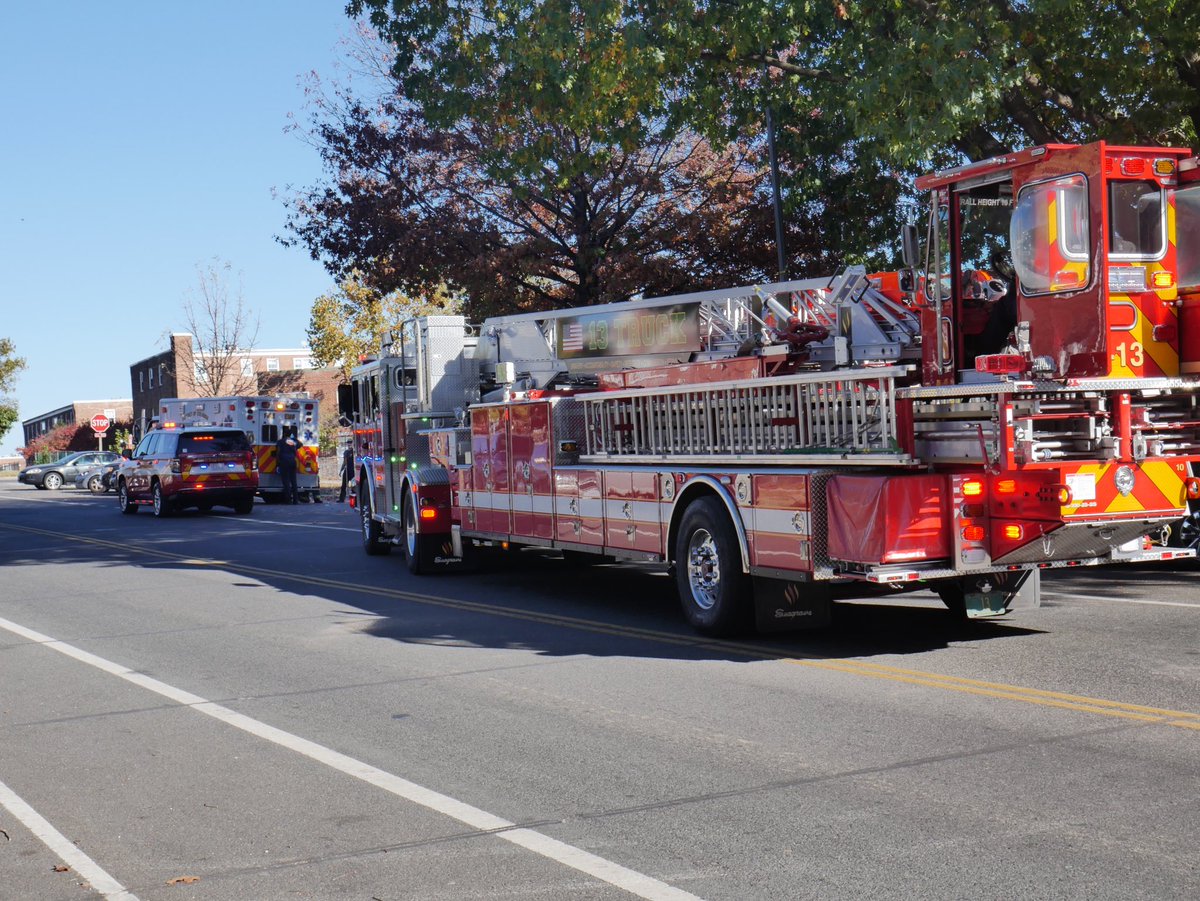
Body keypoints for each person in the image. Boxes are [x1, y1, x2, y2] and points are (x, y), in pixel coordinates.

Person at [275, 426, 300, 504]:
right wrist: (293, 438)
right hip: (292, 462)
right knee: (293, 481)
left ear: (284, 434)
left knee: (286, 482)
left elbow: (278, 452)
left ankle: (288, 500)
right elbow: (300, 444)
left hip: (284, 462)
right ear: (291, 434)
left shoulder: (280, 442)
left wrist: (277, 462)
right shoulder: (293, 441)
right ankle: (295, 500)